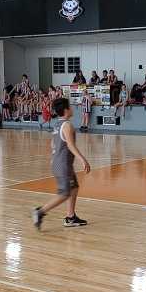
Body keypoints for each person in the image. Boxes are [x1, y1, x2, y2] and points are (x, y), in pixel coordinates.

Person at [32, 97, 91, 230]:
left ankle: (70, 217)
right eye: (70, 106)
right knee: (64, 193)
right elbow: (70, 145)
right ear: (66, 110)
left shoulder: (57, 124)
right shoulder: (67, 125)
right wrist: (83, 159)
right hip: (63, 164)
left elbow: (53, 143)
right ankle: (39, 212)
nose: (72, 108)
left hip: (60, 163)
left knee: (74, 187)